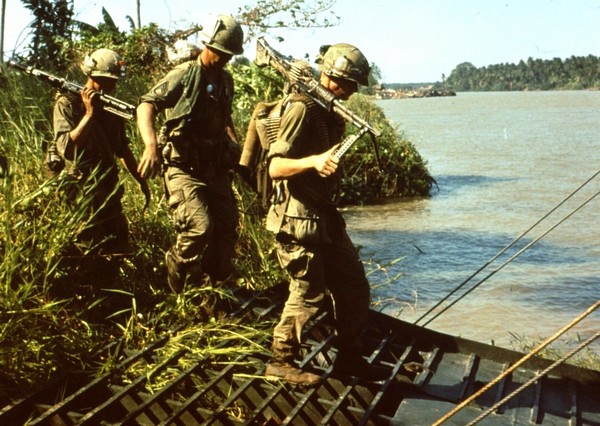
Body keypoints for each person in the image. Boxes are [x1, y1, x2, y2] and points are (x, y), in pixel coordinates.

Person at [263, 43, 387, 386]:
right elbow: (274, 166)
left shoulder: (329, 110)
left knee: (353, 283)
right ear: (328, 76)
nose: (348, 92)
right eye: (344, 84)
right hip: (296, 218)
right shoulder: (302, 109)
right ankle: (280, 361)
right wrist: (313, 162)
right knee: (308, 290)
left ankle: (349, 357)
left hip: (322, 216)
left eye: (353, 86)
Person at [136, 14, 244, 293]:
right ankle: (177, 286)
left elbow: (225, 118)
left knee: (227, 227)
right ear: (207, 44)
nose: (223, 59)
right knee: (198, 228)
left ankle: (213, 289)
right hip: (183, 167)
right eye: (219, 52)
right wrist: (150, 145)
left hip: (214, 167)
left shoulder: (226, 81)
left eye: (228, 55)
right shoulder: (185, 74)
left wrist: (234, 146)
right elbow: (146, 105)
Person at [54, 48, 149, 255]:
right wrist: (89, 115)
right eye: (109, 80)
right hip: (82, 188)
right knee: (87, 247)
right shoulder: (67, 104)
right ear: (94, 76)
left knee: (119, 245)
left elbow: (122, 148)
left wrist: (140, 178)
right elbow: (66, 149)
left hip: (107, 186)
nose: (114, 85)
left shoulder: (109, 107)